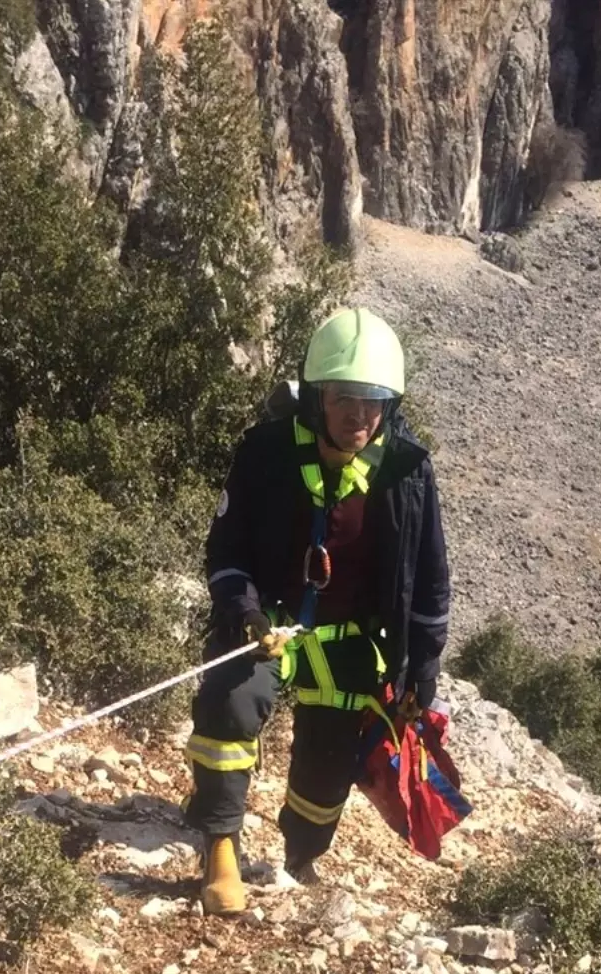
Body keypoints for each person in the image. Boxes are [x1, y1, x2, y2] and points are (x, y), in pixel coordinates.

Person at [185, 306, 451, 914]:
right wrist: (244, 613)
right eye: (344, 398)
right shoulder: (265, 453)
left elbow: (430, 577)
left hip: (348, 635)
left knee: (330, 757)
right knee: (230, 702)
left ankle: (300, 855)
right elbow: (225, 550)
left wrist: (422, 667)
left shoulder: (407, 473)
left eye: (374, 399)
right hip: (267, 622)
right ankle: (219, 845)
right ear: (316, 398)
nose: (359, 414)